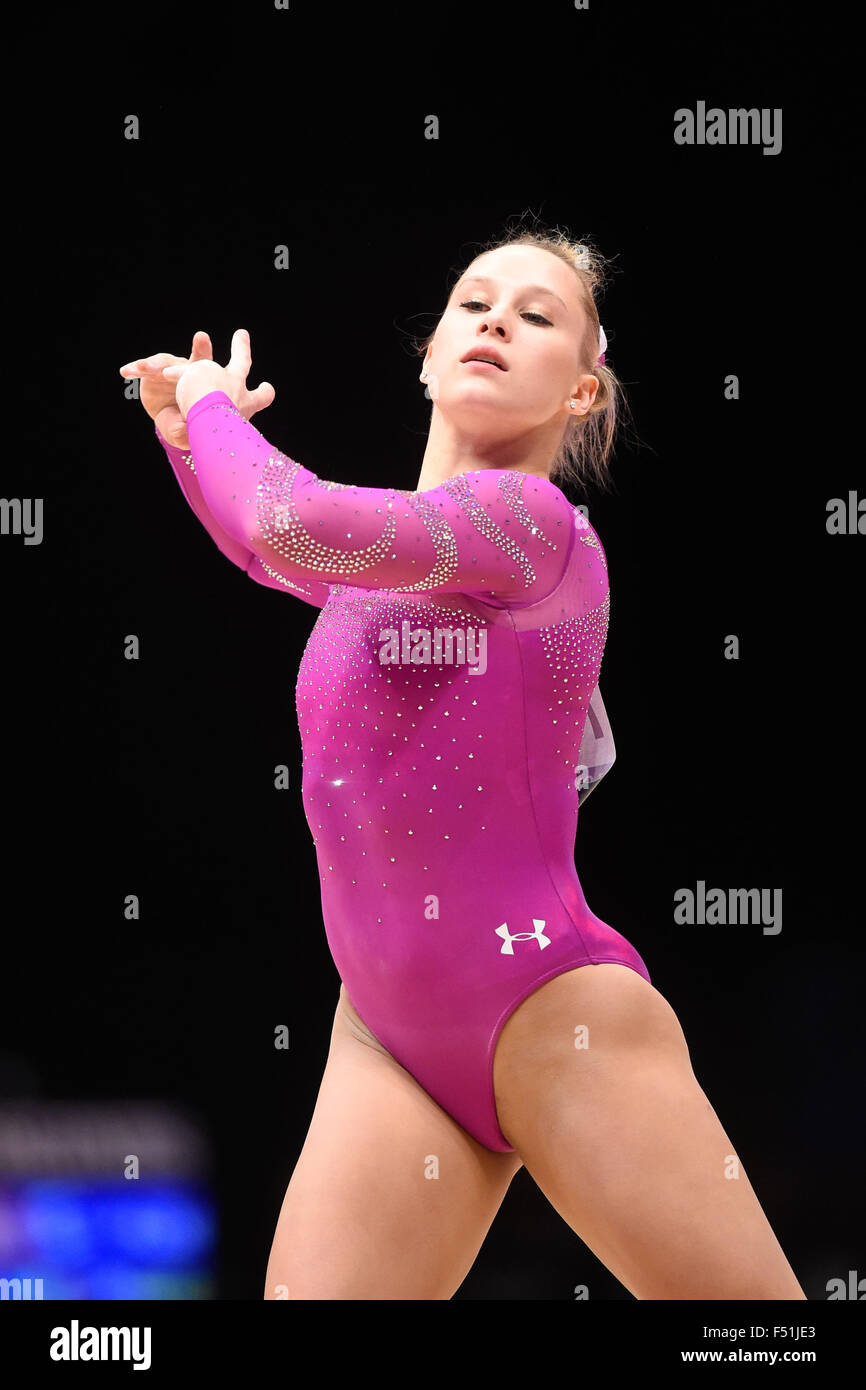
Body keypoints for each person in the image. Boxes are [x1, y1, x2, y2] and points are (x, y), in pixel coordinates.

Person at [119, 227, 806, 1301]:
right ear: (428, 356)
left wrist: (209, 412)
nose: (494, 319)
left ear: (581, 395)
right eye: (472, 302)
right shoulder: (390, 566)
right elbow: (266, 546)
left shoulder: (528, 526)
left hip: (548, 1012)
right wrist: (182, 439)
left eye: (536, 316)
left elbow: (288, 517)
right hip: (385, 1037)